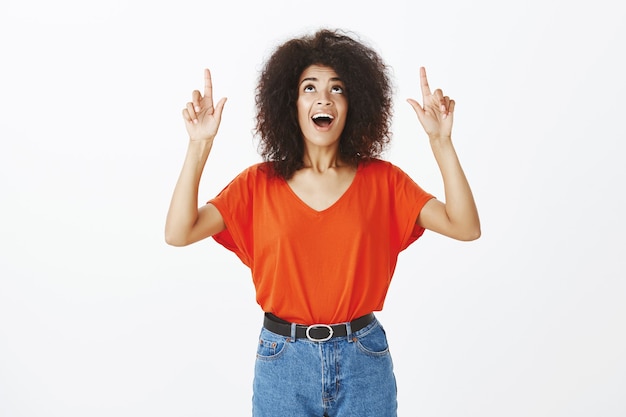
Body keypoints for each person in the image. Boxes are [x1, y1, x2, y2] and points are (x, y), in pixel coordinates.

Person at [165, 28, 480, 417]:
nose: (324, 98)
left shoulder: (383, 182)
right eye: (309, 88)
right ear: (290, 103)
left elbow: (465, 227)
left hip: (363, 360)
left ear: (354, 104)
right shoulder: (257, 184)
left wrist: (441, 143)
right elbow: (178, 233)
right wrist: (199, 146)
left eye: (338, 89)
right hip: (283, 363)